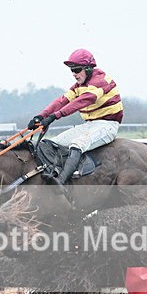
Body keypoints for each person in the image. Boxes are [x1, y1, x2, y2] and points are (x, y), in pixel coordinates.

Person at [27, 48, 123, 191]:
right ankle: (55, 171)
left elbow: (80, 102)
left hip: (107, 125)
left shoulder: (99, 81)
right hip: (90, 124)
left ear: (88, 68)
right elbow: (62, 101)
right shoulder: (79, 85)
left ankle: (61, 181)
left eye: (77, 70)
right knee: (52, 143)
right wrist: (41, 116)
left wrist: (54, 116)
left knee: (77, 144)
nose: (74, 74)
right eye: (72, 70)